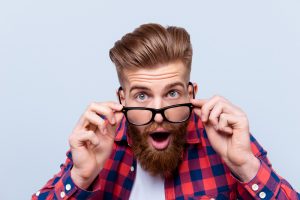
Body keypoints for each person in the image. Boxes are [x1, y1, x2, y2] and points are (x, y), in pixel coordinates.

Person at [32, 23, 299, 200]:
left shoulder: (227, 140)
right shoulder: (97, 143)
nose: (158, 113)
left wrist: (246, 165)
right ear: (121, 100)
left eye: (172, 93)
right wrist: (80, 177)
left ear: (191, 94)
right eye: (142, 96)